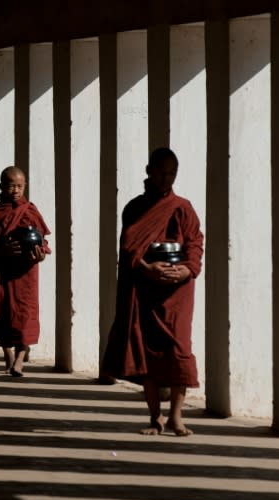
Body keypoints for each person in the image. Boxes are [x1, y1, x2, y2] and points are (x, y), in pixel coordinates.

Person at [102, 147, 204, 436]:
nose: (165, 177)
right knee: (148, 352)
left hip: (177, 293)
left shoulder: (183, 208)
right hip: (146, 289)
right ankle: (155, 417)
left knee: (179, 350)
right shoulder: (134, 209)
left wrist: (187, 269)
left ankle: (177, 416)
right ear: (149, 170)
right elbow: (128, 249)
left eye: (172, 172)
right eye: (161, 171)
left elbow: (195, 243)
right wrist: (148, 269)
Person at [0, 166, 52, 377]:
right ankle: (8, 355)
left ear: (25, 186)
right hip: (1, 272)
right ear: (1, 186)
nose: (16, 191)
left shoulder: (30, 210)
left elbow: (42, 241)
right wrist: (2, 249)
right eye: (11, 186)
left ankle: (19, 360)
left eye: (20, 186)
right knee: (2, 317)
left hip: (24, 274)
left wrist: (41, 254)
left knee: (24, 317)